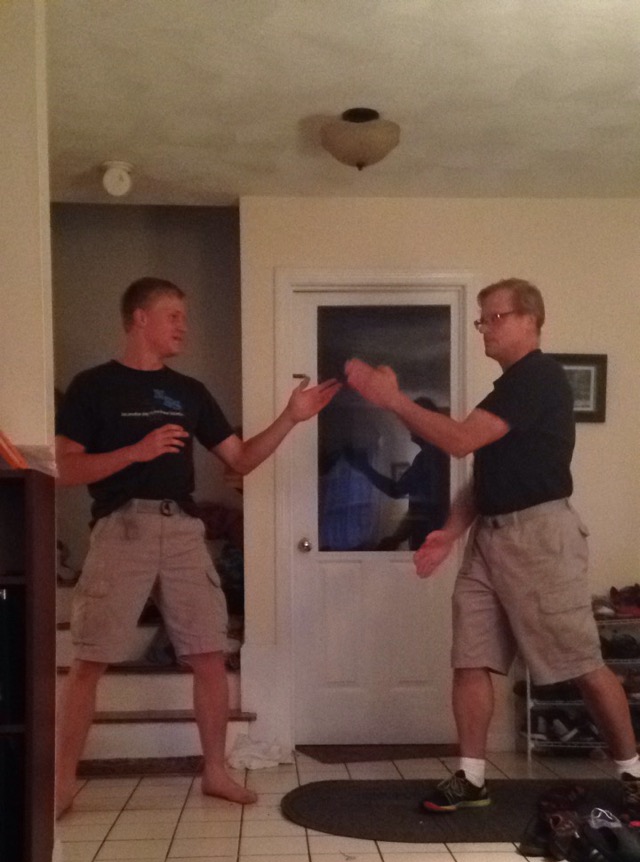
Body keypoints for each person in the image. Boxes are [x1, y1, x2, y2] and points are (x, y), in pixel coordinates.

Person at [345, 278, 640, 816]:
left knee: (582, 663)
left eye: (494, 317)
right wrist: (450, 532)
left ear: (531, 319)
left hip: (540, 538)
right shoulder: (507, 390)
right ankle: (472, 778)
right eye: (481, 319)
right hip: (489, 538)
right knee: (471, 658)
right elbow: (485, 477)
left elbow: (458, 440)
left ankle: (632, 774)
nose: (484, 328)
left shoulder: (538, 377)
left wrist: (392, 399)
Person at [55, 276, 338, 816]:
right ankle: (62, 782)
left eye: (184, 316)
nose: (183, 326)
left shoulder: (190, 392)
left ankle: (215, 772)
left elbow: (241, 459)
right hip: (122, 527)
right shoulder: (93, 387)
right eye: (173, 315)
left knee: (208, 655)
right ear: (140, 318)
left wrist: (291, 418)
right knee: (89, 659)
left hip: (183, 529)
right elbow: (65, 470)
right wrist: (135, 452)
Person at [346, 397, 450, 550]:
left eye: (411, 421)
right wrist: (396, 538)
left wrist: (365, 468)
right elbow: (419, 509)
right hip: (429, 541)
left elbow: (397, 490)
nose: (407, 427)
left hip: (430, 541)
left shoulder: (431, 455)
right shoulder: (434, 454)